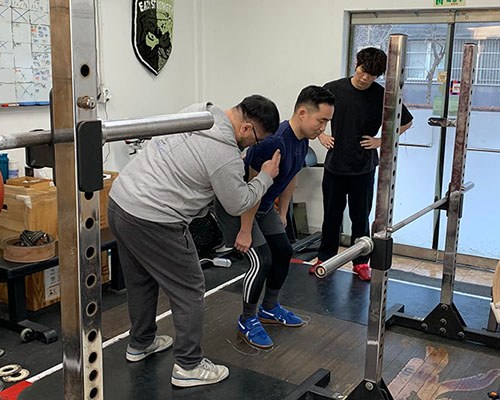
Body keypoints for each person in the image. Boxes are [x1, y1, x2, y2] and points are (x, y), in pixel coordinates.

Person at [107, 95, 282, 387]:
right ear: (246, 128)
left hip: (120, 202)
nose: (253, 146)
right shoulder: (224, 154)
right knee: (190, 288)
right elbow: (238, 203)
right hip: (156, 219)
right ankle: (188, 366)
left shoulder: (199, 111)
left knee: (140, 280)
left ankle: (140, 343)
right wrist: (265, 177)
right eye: (256, 140)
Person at [215, 86, 335, 349]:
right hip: (240, 206)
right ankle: (247, 319)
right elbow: (249, 186)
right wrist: (245, 229)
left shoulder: (302, 140)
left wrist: (281, 213)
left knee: (283, 251)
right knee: (262, 260)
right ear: (303, 113)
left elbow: (291, 177)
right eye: (321, 121)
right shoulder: (273, 140)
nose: (323, 128)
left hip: (264, 206)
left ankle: (268, 309)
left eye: (327, 121)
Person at [310, 47, 414, 281]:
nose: (365, 77)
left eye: (372, 74)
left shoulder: (382, 95)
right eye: (363, 71)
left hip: (363, 168)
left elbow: (407, 122)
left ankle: (360, 262)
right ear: (356, 64)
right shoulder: (333, 89)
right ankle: (324, 257)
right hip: (335, 166)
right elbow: (314, 115)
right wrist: (321, 135)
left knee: (360, 218)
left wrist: (381, 140)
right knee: (332, 217)